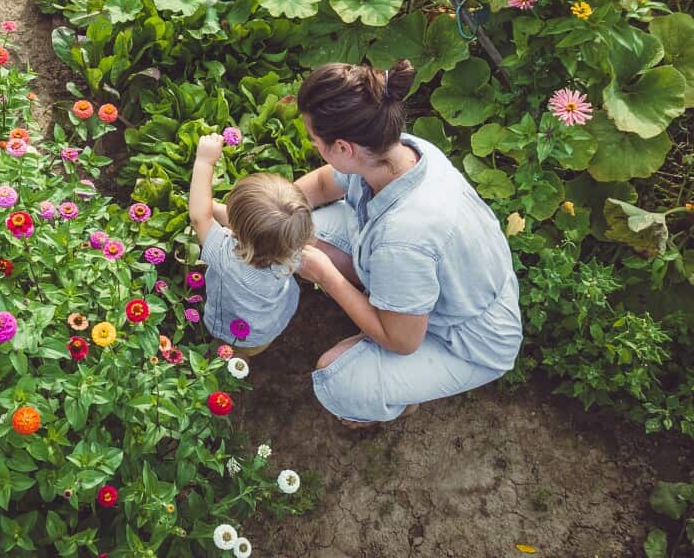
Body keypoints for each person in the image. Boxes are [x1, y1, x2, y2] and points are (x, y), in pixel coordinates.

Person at [292, 59, 522, 427]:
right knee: (302, 231)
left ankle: (400, 399)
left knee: (338, 381)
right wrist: (273, 209)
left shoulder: (404, 239)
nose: (314, 145)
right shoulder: (397, 151)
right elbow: (321, 186)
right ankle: (388, 311)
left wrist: (325, 275)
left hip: (470, 339)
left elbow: (401, 341)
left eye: (315, 141)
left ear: (343, 148)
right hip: (444, 281)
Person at [189, 134, 315, 357]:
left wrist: (204, 161)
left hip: (236, 329)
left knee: (233, 353)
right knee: (251, 348)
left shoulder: (227, 257)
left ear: (239, 232)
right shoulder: (293, 247)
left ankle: (233, 367)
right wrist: (217, 210)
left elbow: (200, 217)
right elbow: (257, 232)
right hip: (270, 324)